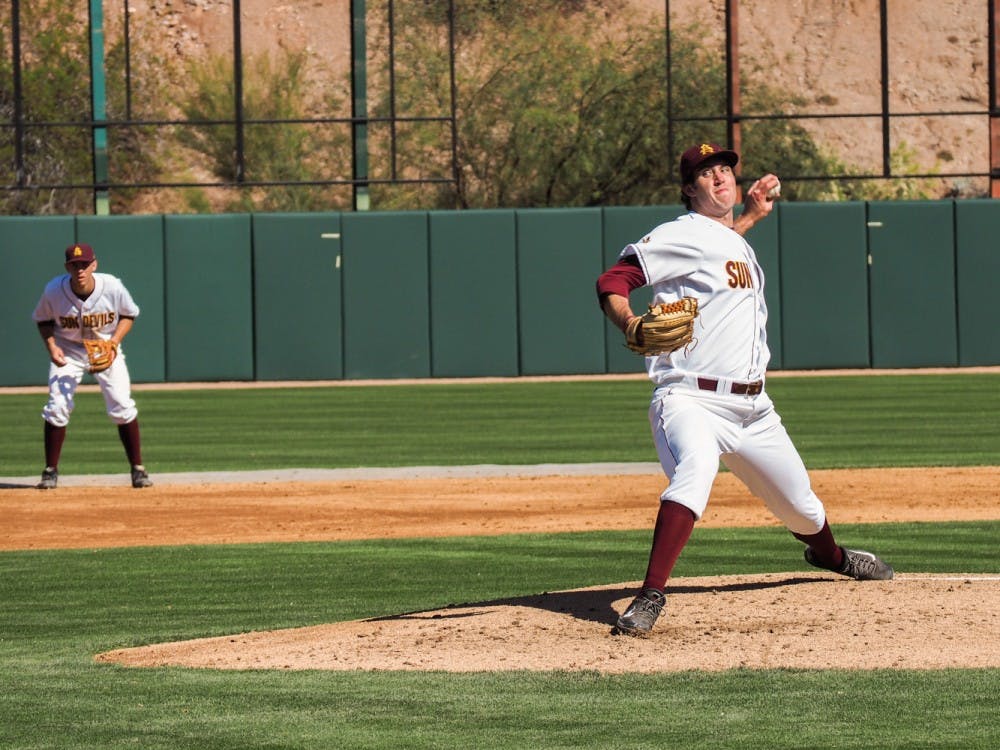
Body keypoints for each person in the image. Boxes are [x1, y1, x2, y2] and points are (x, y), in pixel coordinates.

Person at [596, 142, 892, 637]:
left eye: (725, 170)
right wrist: (629, 323)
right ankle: (649, 596)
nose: (720, 178)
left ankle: (833, 557)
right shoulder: (678, 233)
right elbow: (614, 278)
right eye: (706, 174)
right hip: (691, 397)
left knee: (802, 506)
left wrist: (751, 216)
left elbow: (715, 255)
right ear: (690, 189)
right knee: (694, 473)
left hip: (754, 407)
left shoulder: (729, 239)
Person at [32, 242, 153, 489]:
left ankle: (138, 469)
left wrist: (114, 343)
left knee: (121, 403)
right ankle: (50, 471)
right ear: (67, 267)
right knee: (57, 405)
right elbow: (43, 320)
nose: (80, 269)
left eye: (85, 264)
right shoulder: (54, 291)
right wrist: (52, 347)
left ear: (94, 265)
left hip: (105, 345)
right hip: (69, 350)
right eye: (75, 265)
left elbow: (129, 314)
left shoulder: (112, 286)